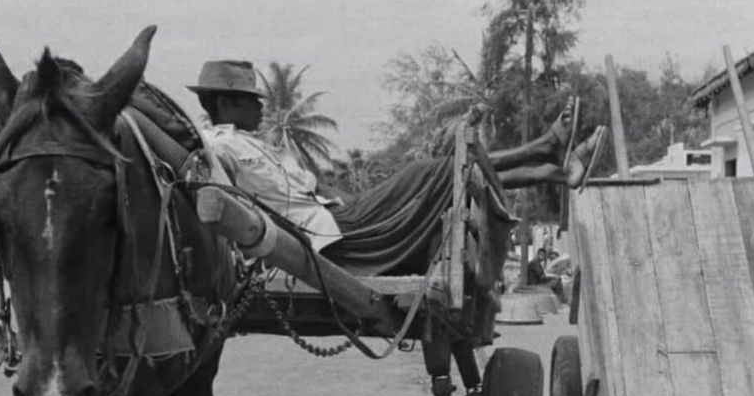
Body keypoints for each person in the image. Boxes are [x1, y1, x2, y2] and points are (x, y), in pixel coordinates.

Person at [187, 60, 606, 270]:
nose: (260, 107)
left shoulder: (253, 143)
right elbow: (223, 203)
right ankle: (548, 157)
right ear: (224, 102)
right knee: (435, 171)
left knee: (445, 171)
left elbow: (309, 189)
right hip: (323, 236)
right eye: (251, 101)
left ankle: (552, 163)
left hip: (340, 216)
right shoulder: (217, 148)